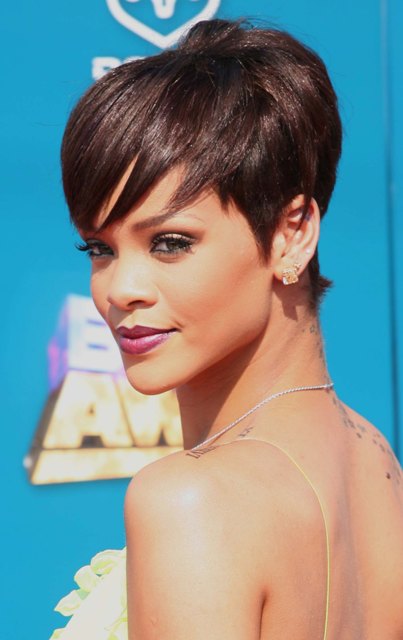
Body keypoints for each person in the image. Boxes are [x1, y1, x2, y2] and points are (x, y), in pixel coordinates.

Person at [51, 18, 403, 640]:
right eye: (99, 249)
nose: (120, 288)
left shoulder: (190, 501)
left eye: (170, 242)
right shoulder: (374, 460)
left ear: (292, 233)